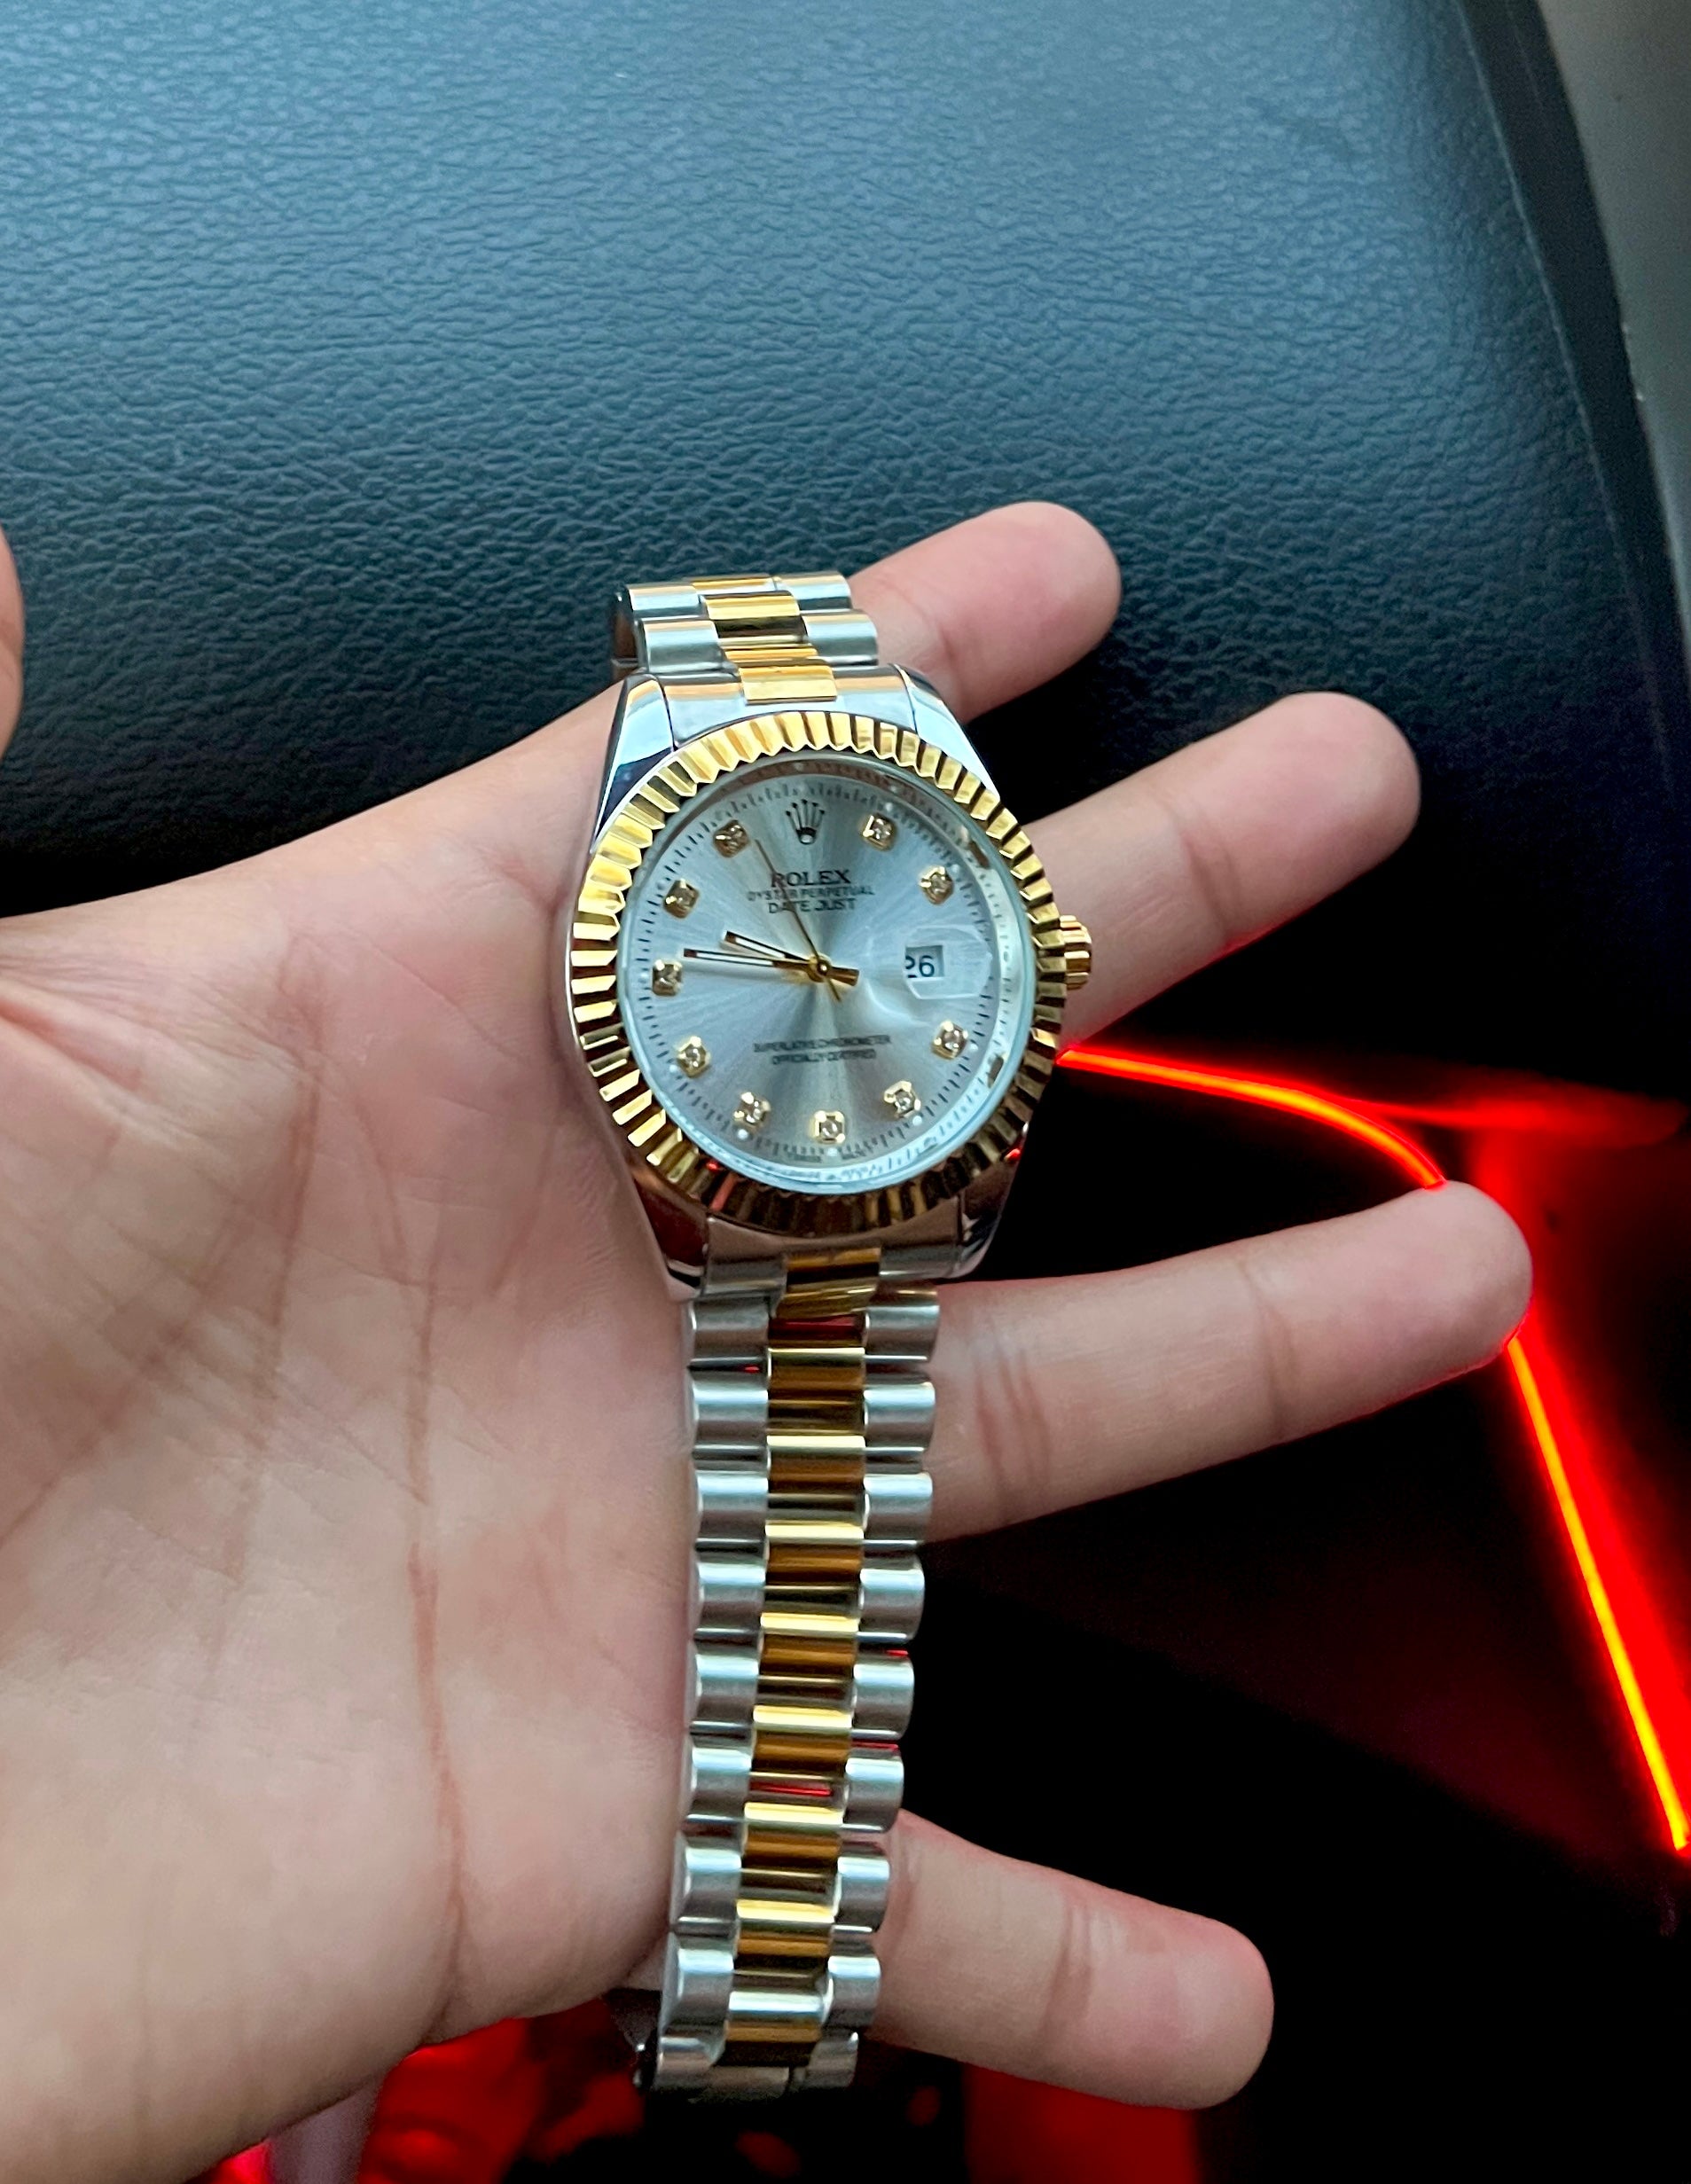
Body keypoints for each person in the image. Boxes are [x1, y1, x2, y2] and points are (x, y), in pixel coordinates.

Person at [0, 503, 1528, 2183]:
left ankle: (682, 2033)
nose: (813, 965)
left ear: (1032, 956)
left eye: (845, 948)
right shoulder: (719, 938)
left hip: (860, 1181)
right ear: (608, 980)